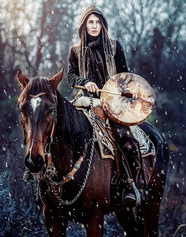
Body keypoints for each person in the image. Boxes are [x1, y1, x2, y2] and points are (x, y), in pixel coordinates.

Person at [67, 5, 146, 206]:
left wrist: (118, 88)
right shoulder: (75, 51)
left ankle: (130, 185)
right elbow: (70, 76)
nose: (94, 26)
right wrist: (85, 83)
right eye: (90, 22)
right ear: (84, 26)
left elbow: (125, 74)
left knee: (125, 138)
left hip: (112, 101)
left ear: (103, 24)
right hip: (85, 101)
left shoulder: (114, 46)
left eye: (97, 22)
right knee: (60, 130)